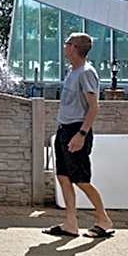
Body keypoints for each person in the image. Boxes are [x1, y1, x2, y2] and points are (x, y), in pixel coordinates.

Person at [43, 32, 115, 239]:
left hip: (77, 130)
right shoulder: (72, 71)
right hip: (65, 129)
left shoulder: (86, 73)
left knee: (81, 179)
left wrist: (81, 134)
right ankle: (70, 223)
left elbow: (94, 107)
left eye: (67, 43)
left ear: (74, 47)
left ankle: (103, 219)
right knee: (63, 177)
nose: (64, 47)